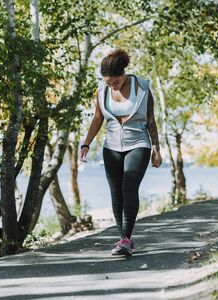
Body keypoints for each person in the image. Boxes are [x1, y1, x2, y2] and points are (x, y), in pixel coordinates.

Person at [80, 49, 162, 256]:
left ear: (123, 73)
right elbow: (98, 118)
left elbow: (150, 119)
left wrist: (156, 148)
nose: (112, 86)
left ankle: (126, 238)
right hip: (112, 146)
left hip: (139, 143)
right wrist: (86, 144)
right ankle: (122, 239)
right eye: (108, 83)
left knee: (128, 186)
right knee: (115, 192)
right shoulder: (102, 90)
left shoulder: (142, 87)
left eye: (115, 82)